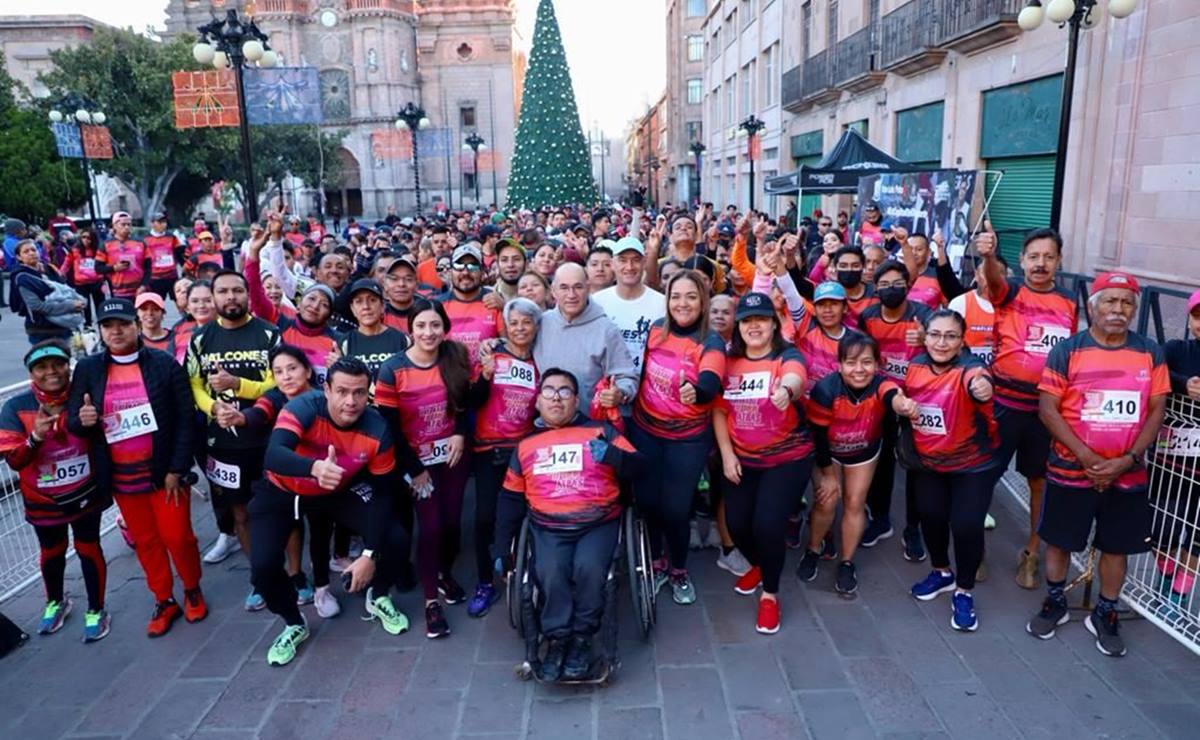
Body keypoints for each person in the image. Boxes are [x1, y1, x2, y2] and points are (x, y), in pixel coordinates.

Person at [1027, 272, 1168, 656]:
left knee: (1116, 547)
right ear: (1093, 307)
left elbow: (1157, 409)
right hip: (1071, 469)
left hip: (1128, 474)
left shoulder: (1150, 352)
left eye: (1126, 303)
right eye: (1110, 301)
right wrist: (1088, 457)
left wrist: (1127, 459)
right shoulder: (1068, 350)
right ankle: (1056, 601)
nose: (1118, 310)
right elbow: (1047, 408)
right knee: (1058, 539)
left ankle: (1105, 611)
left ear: (1135, 309)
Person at [253, 358, 412, 666]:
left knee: (396, 538)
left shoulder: (378, 428)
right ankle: (293, 622)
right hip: (283, 491)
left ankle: (379, 597)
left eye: (359, 393)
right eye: (341, 391)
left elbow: (382, 494)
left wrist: (368, 554)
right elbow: (272, 455)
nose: (350, 401)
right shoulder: (303, 407)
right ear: (325, 389)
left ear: (370, 393)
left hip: (339, 491)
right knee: (263, 566)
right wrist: (313, 467)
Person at [66, 297, 207, 637]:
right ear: (100, 331)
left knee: (178, 537)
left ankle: (191, 588)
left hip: (164, 473)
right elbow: (74, 420)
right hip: (122, 476)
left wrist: (177, 467)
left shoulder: (163, 364)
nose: (116, 332)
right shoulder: (88, 369)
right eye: (108, 326)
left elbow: (186, 418)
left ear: (136, 326)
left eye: (123, 324)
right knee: (145, 541)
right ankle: (163, 598)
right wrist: (82, 420)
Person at [492, 368, 644, 681]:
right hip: (548, 525)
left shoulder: (601, 431)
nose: (556, 398)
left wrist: (614, 455)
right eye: (549, 391)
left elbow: (640, 467)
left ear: (577, 400)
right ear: (538, 401)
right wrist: (500, 546)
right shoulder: (525, 447)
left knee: (588, 569)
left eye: (565, 392)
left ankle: (581, 639)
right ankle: (558, 638)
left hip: (597, 521)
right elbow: (510, 499)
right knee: (550, 572)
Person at [975, 226, 1077, 589]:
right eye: (1034, 256)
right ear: (1022, 260)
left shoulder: (1069, 303)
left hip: (1046, 411)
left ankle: (1032, 554)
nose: (1041, 263)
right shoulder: (1009, 292)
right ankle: (975, 551)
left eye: (1049, 257)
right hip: (1004, 404)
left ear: (1059, 261)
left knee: (1039, 481)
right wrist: (988, 256)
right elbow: (993, 280)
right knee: (984, 475)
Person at [713, 292, 811, 633]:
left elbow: (796, 376)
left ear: (773, 324)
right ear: (739, 326)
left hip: (786, 459)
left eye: (761, 320)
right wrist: (727, 455)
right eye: (747, 321)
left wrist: (787, 390)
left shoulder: (787, 356)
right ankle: (760, 563)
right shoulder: (728, 362)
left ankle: (770, 593)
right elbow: (719, 410)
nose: (754, 327)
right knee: (738, 525)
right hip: (741, 457)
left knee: (768, 526)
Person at [0, 341, 111, 641]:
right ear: (31, 373)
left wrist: (94, 421)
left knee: (89, 547)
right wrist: (35, 437)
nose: (51, 372)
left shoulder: (84, 396)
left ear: (67, 366)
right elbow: (14, 460)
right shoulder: (15, 407)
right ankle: (56, 601)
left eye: (58, 364)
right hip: (43, 500)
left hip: (84, 492)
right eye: (41, 367)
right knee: (52, 551)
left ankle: (97, 609)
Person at [375, 299, 472, 639]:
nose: (428, 333)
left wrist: (461, 433)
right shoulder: (392, 369)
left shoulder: (456, 356)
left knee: (450, 524)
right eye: (421, 326)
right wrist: (414, 469)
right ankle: (432, 602)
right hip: (414, 463)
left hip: (452, 457)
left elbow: (465, 403)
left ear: (444, 328)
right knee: (429, 528)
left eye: (435, 325)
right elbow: (388, 426)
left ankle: (444, 573)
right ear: (410, 328)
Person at [628, 270, 725, 605]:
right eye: (676, 296)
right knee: (648, 503)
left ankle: (679, 570)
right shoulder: (656, 329)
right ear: (667, 300)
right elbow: (641, 373)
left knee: (675, 507)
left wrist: (696, 393)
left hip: (687, 439)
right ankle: (655, 562)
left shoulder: (710, 340)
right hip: (646, 430)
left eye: (691, 297)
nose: (682, 303)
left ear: (703, 301)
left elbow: (711, 381)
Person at [899, 309, 1000, 632]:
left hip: (972, 465)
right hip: (928, 463)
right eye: (936, 335)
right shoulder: (914, 367)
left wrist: (982, 388)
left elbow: (979, 380)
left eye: (951, 336)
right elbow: (896, 392)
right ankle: (942, 572)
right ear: (924, 337)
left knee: (967, 525)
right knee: (930, 516)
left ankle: (964, 591)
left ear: (962, 341)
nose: (942, 342)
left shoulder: (970, 368)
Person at [186, 270, 281, 610]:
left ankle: (293, 574)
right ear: (212, 298)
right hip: (224, 442)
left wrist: (240, 387)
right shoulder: (199, 339)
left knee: (283, 509)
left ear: (247, 294)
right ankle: (261, 578)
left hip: (270, 437)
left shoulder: (270, 334)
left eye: (237, 290)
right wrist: (214, 408)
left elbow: (280, 382)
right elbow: (194, 384)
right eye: (223, 291)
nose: (231, 297)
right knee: (240, 513)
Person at [214, 345, 323, 614]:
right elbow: (258, 412)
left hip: (323, 479)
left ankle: (317, 580)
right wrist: (239, 417)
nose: (286, 376)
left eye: (292, 369)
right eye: (278, 372)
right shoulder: (273, 398)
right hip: (285, 480)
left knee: (323, 527)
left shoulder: (325, 396)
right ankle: (274, 578)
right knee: (281, 520)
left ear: (307, 370)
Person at [807, 334, 908, 595]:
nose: (859, 369)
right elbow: (817, 437)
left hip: (864, 451)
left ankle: (847, 562)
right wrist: (829, 475)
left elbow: (892, 395)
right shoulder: (825, 390)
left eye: (867, 362)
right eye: (851, 362)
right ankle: (814, 548)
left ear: (877, 364)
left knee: (854, 503)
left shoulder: (882, 384)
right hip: (828, 452)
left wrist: (902, 404)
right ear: (839, 364)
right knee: (826, 500)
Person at [467, 298, 541, 617]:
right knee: (484, 517)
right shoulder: (491, 354)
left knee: (527, 514)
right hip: (488, 449)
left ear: (536, 327)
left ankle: (525, 570)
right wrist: (484, 376)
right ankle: (485, 581)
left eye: (527, 322)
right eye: (514, 323)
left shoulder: (541, 360)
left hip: (524, 450)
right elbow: (471, 400)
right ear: (505, 326)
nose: (520, 328)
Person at [858, 262, 932, 559]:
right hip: (883, 398)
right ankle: (880, 519)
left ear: (908, 285)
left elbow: (947, 347)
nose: (891, 290)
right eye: (884, 285)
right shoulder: (868, 317)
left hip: (918, 398)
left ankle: (913, 529)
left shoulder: (924, 316)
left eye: (897, 284)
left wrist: (926, 340)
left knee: (914, 464)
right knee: (882, 461)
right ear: (876, 289)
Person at [534, 263, 638, 409]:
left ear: (588, 288)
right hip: (545, 423)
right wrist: (495, 344)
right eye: (564, 287)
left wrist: (619, 393)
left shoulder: (606, 330)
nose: (571, 295)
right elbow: (517, 350)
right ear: (553, 291)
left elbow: (626, 377)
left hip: (589, 425)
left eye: (578, 287)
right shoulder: (541, 323)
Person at [1156, 288, 1200, 611]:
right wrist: (1184, 384)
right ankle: (1166, 567)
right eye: (1198, 316)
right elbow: (1155, 372)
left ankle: (1181, 587)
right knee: (1160, 519)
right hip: (1169, 457)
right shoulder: (1175, 348)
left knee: (1198, 527)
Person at [592, 237, 665, 378]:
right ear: (612, 264)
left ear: (644, 263)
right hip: (605, 386)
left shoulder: (662, 304)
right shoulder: (596, 302)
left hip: (647, 388)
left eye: (636, 260)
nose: (629, 267)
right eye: (623, 260)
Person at [439, 243, 504, 377]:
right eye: (459, 266)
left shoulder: (494, 302)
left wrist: (497, 343)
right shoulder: (438, 305)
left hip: (487, 383)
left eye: (472, 266)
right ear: (450, 270)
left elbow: (510, 343)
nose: (465, 272)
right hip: (448, 384)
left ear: (482, 271)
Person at [10, 240, 85, 345]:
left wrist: (79, 301)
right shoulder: (22, 278)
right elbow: (38, 307)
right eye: (26, 252)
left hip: (65, 325)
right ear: (19, 257)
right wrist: (70, 305)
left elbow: (66, 290)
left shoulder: (49, 269)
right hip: (42, 330)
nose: (31, 253)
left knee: (70, 359)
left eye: (33, 249)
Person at [337, 278, 411, 384]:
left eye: (372, 300)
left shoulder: (402, 340)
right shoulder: (345, 343)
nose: (366, 307)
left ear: (382, 306)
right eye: (359, 301)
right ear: (353, 309)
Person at [97, 212, 149, 300]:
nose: (126, 227)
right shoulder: (106, 245)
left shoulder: (141, 243)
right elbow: (98, 268)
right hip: (118, 293)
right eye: (123, 224)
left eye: (129, 224)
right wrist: (114, 268)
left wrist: (143, 285)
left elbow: (148, 268)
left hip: (139, 291)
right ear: (114, 226)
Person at [60, 228, 105, 323]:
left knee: (100, 307)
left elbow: (106, 263)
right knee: (84, 307)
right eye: (83, 237)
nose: (86, 240)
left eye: (89, 238)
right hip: (81, 284)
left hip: (97, 282)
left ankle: (103, 326)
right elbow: (67, 262)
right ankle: (87, 327)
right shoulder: (75, 250)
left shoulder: (99, 249)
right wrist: (61, 272)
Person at [145, 212, 183, 299]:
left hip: (171, 276)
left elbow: (179, 254)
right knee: (157, 303)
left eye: (164, 222)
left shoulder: (172, 237)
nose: (163, 224)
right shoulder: (145, 239)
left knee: (179, 300)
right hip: (155, 278)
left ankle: (184, 313)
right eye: (159, 222)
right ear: (152, 223)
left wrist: (184, 268)